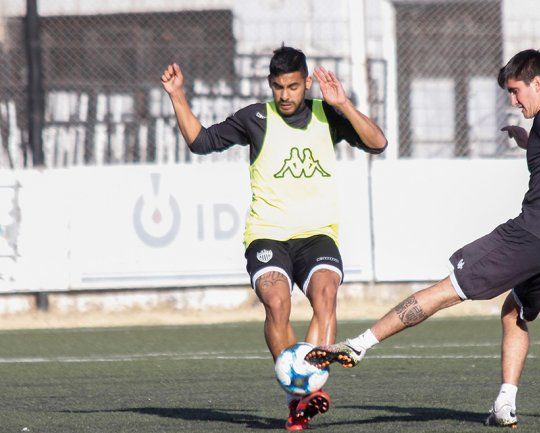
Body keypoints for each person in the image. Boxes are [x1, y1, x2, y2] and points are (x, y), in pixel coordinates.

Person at [305, 49, 540, 428]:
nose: (512, 100)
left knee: (448, 287)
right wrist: (532, 142)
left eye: (516, 90)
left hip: (535, 235)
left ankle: (358, 345)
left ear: (538, 84)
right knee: (514, 311)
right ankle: (505, 404)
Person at [160, 45, 387, 430]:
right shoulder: (256, 118)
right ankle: (295, 398)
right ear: (271, 84)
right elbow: (201, 142)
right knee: (277, 303)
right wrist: (178, 96)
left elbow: (378, 142)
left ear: (307, 83)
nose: (285, 95)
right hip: (267, 235)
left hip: (317, 234)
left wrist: (344, 105)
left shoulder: (326, 114)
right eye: (279, 87)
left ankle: (309, 384)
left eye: (293, 87)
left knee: (326, 295)